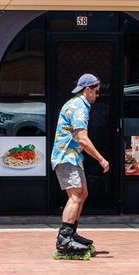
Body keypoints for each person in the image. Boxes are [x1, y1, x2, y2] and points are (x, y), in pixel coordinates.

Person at [51, 73, 109, 259]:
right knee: (76, 195)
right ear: (87, 90)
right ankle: (64, 240)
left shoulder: (77, 104)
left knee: (82, 193)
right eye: (96, 92)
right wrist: (101, 159)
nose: (98, 96)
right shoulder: (79, 107)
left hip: (72, 157)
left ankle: (71, 233)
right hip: (66, 156)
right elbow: (83, 139)